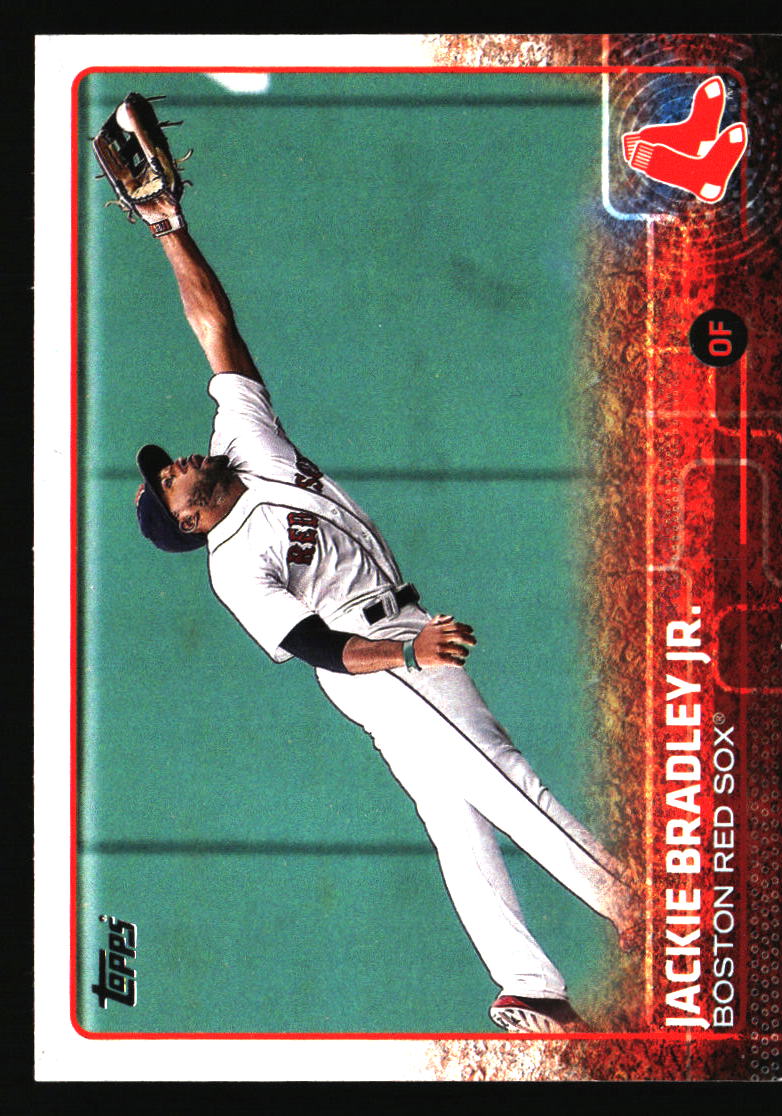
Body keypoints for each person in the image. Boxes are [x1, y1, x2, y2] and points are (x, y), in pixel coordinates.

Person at [112, 96, 638, 1034]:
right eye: (167, 482)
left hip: (394, 637)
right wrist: (409, 653)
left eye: (167, 466)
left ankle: (532, 990)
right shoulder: (232, 569)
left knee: (456, 820)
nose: (175, 464)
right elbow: (317, 648)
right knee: (504, 779)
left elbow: (216, 330)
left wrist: (170, 232)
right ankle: (652, 917)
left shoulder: (243, 441)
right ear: (186, 521)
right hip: (377, 660)